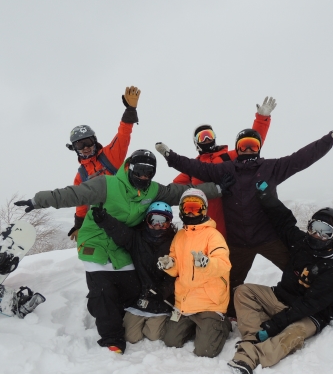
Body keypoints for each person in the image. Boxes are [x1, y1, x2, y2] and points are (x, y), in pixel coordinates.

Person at [14, 150, 232, 354]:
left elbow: (180, 193)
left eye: (149, 172)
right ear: (129, 167)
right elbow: (73, 194)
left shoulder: (152, 190)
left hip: (123, 241)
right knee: (104, 289)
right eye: (140, 170)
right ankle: (112, 337)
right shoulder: (106, 185)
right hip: (97, 241)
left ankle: (116, 313)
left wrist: (217, 189)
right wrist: (38, 200)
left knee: (132, 287)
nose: (144, 176)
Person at [155, 125, 333, 318]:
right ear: (237, 148)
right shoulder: (226, 170)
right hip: (238, 242)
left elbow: (302, 158)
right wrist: (170, 156)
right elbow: (195, 167)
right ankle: (227, 315)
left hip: (268, 238)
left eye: (253, 145)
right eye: (244, 145)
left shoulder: (271, 168)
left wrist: (331, 138)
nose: (248, 149)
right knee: (228, 281)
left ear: (259, 148)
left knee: (296, 269)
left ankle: (319, 301)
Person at [227, 183, 333, 374]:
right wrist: (266, 197)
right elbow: (284, 221)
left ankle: (250, 356)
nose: (318, 235)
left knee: (292, 334)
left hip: (309, 315)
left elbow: (307, 306)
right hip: (281, 298)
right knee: (243, 291)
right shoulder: (301, 243)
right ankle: (252, 338)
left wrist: (274, 325)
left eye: (326, 232)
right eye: (315, 228)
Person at [172, 96, 277, 238]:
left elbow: (251, 145)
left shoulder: (227, 158)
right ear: (196, 142)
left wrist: (261, 119)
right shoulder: (193, 168)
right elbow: (173, 190)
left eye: (209, 135)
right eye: (202, 137)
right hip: (203, 226)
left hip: (232, 224)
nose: (207, 139)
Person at [157, 189, 232, 358]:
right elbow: (176, 266)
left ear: (203, 210)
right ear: (181, 210)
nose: (191, 213)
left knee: (205, 351)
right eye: (187, 208)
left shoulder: (213, 235)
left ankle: (221, 325)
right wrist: (169, 264)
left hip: (209, 303)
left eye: (195, 208)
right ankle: (199, 328)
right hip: (185, 302)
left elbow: (223, 264)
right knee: (170, 341)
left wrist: (207, 263)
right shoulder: (180, 236)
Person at [92, 201, 177, 343]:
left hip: (160, 300)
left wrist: (163, 291)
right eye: (154, 220)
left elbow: (176, 274)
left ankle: (160, 322)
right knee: (131, 337)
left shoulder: (174, 242)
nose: (158, 225)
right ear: (147, 220)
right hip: (139, 298)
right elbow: (119, 231)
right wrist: (104, 219)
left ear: (169, 223)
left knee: (154, 335)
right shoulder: (137, 238)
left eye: (164, 221)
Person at [67, 86, 141, 241]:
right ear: (75, 149)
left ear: (94, 141)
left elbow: (123, 135)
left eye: (88, 142)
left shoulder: (110, 155)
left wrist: (130, 110)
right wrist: (79, 224)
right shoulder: (81, 175)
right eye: (80, 145)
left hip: (129, 211)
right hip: (106, 220)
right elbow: (81, 201)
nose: (85, 147)